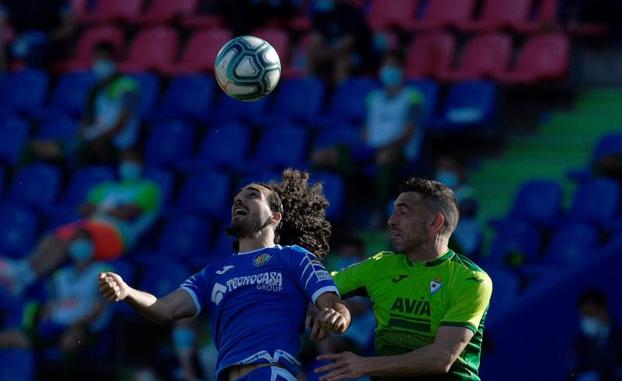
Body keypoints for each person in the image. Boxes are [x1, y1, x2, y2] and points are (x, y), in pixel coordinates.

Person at [99, 169, 352, 381]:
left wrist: (336, 317)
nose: (238, 201)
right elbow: (164, 309)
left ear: (275, 217)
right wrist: (128, 292)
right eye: (236, 198)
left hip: (269, 373)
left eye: (251, 196)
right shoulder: (213, 274)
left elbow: (335, 305)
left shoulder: (294, 257)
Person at [311, 178, 493, 381]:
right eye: (393, 211)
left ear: (435, 222)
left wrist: (365, 365)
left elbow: (441, 357)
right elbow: (315, 285)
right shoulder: (379, 266)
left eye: (403, 212)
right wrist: (339, 310)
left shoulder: (471, 280)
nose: (391, 220)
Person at [0, 149, 161, 294]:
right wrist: (110, 210)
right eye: (126, 161)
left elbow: (126, 214)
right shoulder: (106, 187)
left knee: (77, 234)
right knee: (56, 235)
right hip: (91, 228)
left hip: (119, 236)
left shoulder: (148, 189)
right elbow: (84, 209)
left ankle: (26, 277)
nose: (128, 165)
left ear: (141, 164)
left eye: (133, 161)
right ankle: (23, 270)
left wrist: (101, 209)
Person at [312, 51, 425, 215]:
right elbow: (365, 130)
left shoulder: (414, 96)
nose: (388, 70)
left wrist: (383, 148)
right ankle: (321, 207)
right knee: (323, 156)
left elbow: (408, 133)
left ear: (402, 69)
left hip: (398, 151)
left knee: (384, 157)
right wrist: (361, 150)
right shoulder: (374, 97)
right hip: (370, 148)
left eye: (393, 66)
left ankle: (378, 211)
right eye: (385, 66)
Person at [35, 228, 113, 376]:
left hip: (85, 326)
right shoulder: (60, 274)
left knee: (70, 340)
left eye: (84, 240)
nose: (79, 245)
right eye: (76, 241)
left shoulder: (103, 271)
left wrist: (75, 324)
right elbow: (50, 304)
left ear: (92, 245)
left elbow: (98, 309)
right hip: (58, 323)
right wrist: (45, 320)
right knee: (29, 338)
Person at [0, 0, 74, 69]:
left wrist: (47, 38)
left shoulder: (57, 2)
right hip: (18, 45)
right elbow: (1, 24)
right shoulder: (10, 2)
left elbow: (69, 27)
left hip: (51, 45)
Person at [568, 289, 622, 381]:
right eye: (583, 314)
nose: (588, 318)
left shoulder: (619, 337)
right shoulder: (579, 345)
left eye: (590, 312)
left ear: (604, 309)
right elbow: (572, 373)